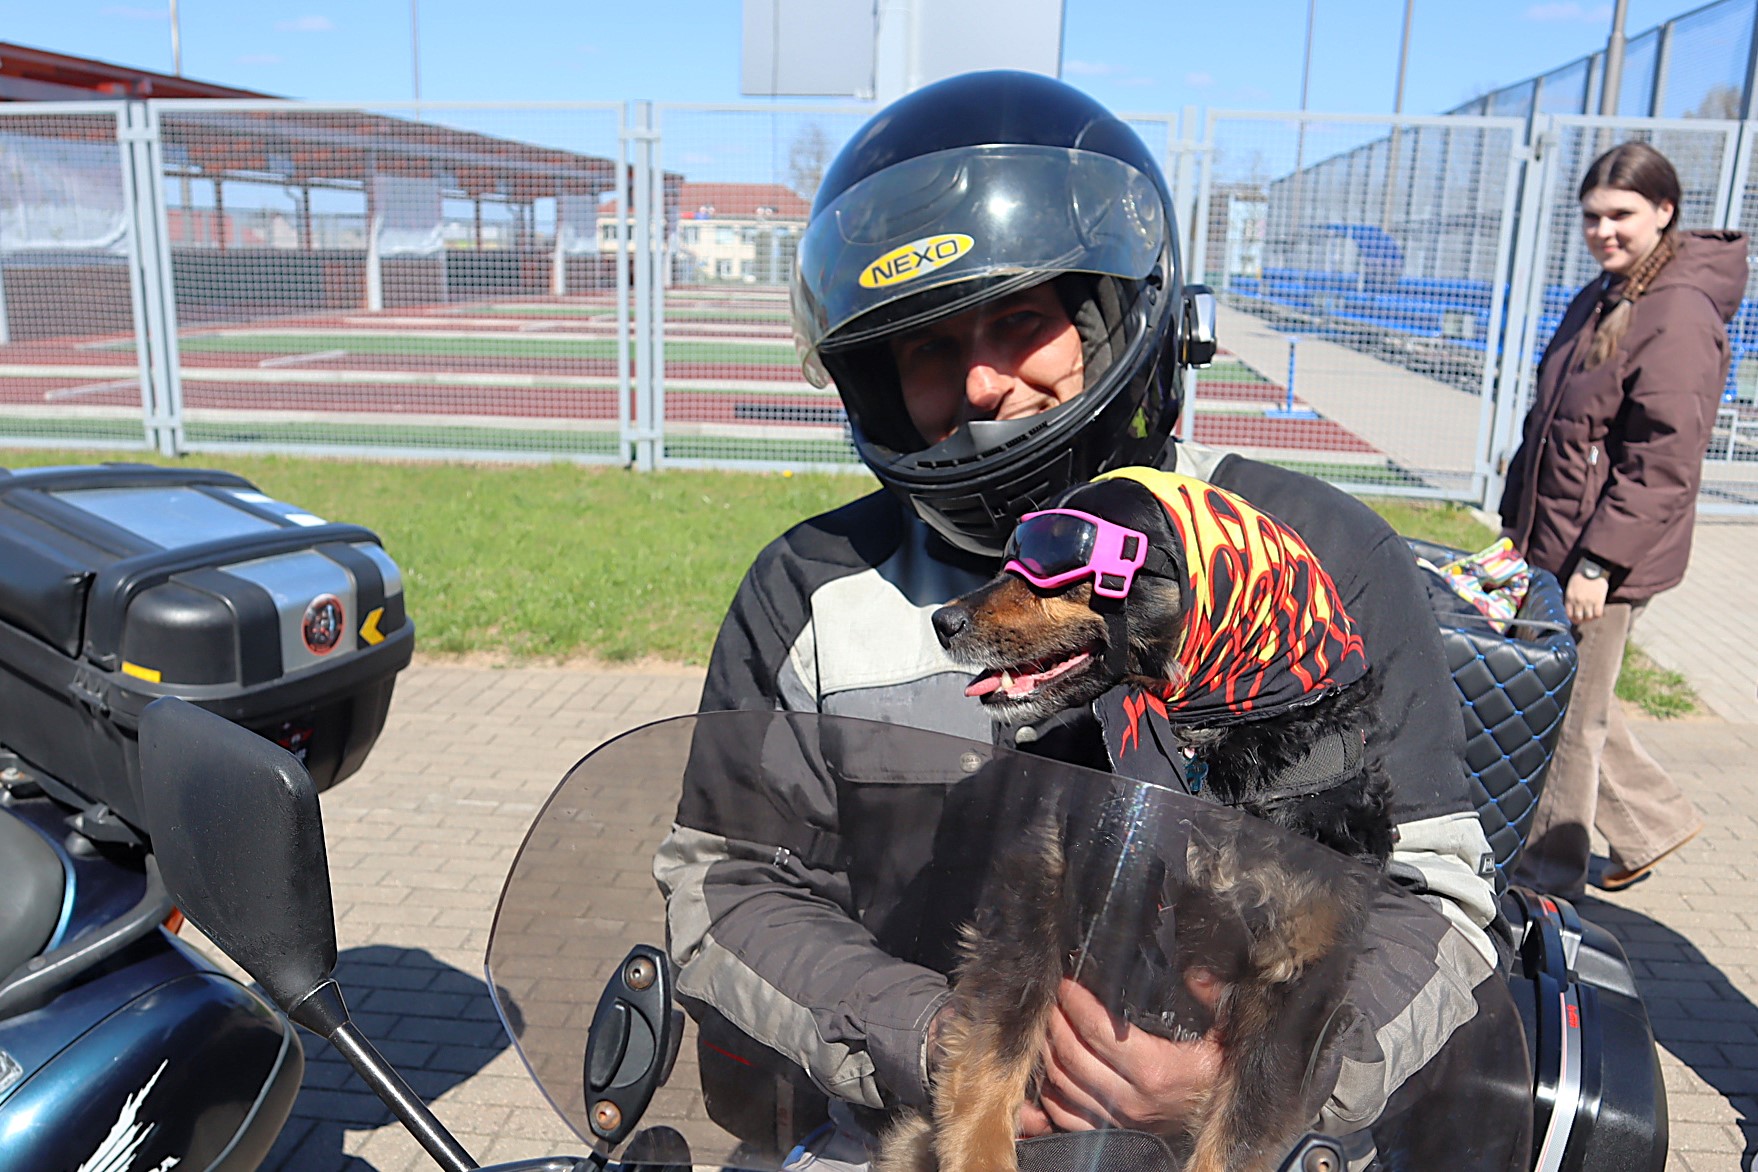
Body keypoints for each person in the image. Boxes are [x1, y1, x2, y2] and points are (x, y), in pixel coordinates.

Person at [655, 71, 1525, 1169]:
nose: (980, 383)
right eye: (926, 347)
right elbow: (725, 881)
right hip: (924, 1126)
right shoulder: (816, 588)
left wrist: (1254, 1079)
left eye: (1020, 320)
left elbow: (1433, 895)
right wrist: (944, 1046)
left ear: (1118, 318)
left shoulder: (1303, 562)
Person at [1503, 141, 1746, 899]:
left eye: (1621, 215)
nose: (1604, 230)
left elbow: (1664, 460)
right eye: (1591, 217)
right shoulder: (1606, 293)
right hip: (1555, 539)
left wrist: (1599, 564)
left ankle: (1546, 881)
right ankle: (1651, 824)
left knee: (1571, 719)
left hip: (1600, 557)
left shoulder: (1676, 314)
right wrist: (1517, 527)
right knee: (1567, 702)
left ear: (1664, 212)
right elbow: (1556, 427)